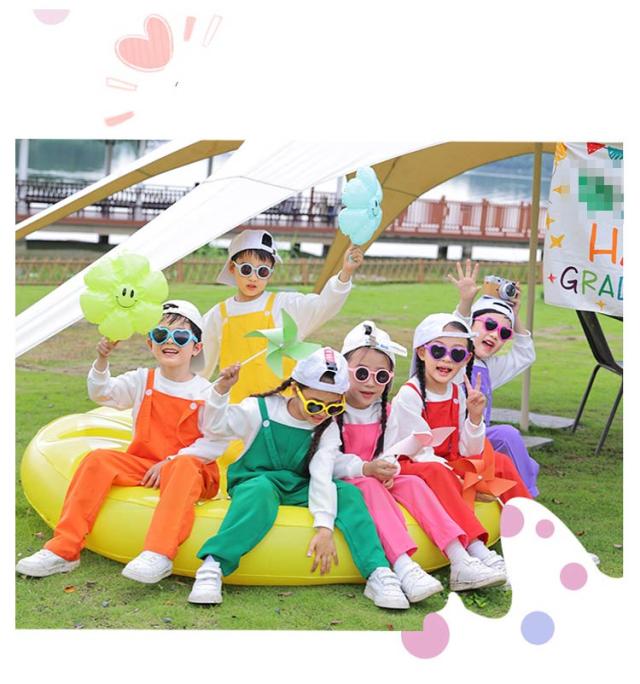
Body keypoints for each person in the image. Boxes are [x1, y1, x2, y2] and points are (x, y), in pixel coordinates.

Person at [188, 347, 411, 610]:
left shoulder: (326, 426)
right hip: (257, 480)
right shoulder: (260, 409)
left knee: (349, 493)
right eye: (314, 404)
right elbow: (214, 428)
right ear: (295, 389)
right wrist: (221, 391)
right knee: (259, 490)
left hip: (298, 486)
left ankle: (377, 571)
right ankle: (213, 566)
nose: (322, 412)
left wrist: (324, 527)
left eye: (334, 406)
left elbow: (322, 475)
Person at [16, 301, 221, 584]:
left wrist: (170, 462)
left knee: (183, 466)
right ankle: (64, 549)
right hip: (146, 465)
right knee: (98, 460)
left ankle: (158, 554)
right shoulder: (142, 379)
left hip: (191, 471)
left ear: (196, 347)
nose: (170, 342)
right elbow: (103, 394)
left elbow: (215, 441)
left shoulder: (206, 392)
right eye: (161, 335)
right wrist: (102, 361)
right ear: (150, 343)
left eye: (181, 336)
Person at [334, 321, 507, 592]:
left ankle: (459, 558)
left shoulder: (385, 411)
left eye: (381, 376)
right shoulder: (332, 411)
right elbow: (325, 459)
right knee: (374, 485)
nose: (370, 383)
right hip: (349, 480)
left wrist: (388, 469)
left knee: (413, 484)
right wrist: (366, 469)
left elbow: (391, 450)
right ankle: (404, 566)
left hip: (377, 476)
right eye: (362, 373)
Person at [386, 313, 534, 580]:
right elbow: (416, 452)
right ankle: (476, 547)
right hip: (412, 464)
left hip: (446, 462)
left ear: (466, 359)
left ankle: (535, 533)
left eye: (456, 354)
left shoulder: (457, 392)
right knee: (438, 471)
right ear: (422, 352)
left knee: (500, 462)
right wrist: (455, 474)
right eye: (438, 351)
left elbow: (468, 451)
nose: (446, 360)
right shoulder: (410, 394)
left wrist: (475, 418)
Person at [200, 228, 363, 400]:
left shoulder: (286, 305)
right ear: (232, 268)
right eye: (246, 269)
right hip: (235, 408)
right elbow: (200, 364)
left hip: (280, 407)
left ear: (271, 272)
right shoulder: (218, 315)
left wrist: (345, 273)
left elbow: (324, 306)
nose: (253, 278)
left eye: (262, 271)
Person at [448, 260, 540, 496]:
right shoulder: (451, 356)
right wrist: (466, 303)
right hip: (450, 441)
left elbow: (525, 355)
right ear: (470, 324)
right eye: (489, 324)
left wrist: (515, 317)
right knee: (507, 436)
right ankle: (527, 497)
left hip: (476, 440)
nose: (494, 334)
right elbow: (454, 332)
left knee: (511, 443)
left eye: (504, 332)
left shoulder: (489, 368)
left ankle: (524, 494)